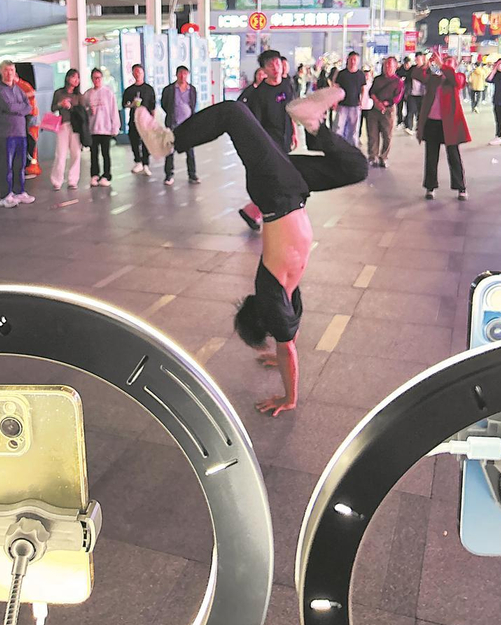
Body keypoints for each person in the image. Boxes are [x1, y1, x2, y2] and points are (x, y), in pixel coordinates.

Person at [134, 87, 367, 416]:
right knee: (357, 168)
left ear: (267, 318)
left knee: (232, 113)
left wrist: (288, 391)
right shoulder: (282, 295)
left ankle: (167, 142)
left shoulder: (272, 292)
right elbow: (288, 340)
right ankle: (314, 124)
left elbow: (287, 346)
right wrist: (281, 368)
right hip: (291, 189)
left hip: (277, 191)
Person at [240, 49, 296, 229]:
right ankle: (261, 211)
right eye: (270, 65)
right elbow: (256, 124)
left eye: (277, 63)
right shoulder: (260, 94)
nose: (275, 67)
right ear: (264, 70)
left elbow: (290, 110)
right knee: (277, 178)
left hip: (285, 138)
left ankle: (253, 211)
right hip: (270, 142)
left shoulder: (287, 85)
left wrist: (294, 132)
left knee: (277, 179)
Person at [411, 52, 470, 200]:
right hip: (432, 121)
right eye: (445, 61)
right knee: (431, 156)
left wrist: (442, 65)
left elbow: (456, 81)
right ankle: (430, 187)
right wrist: (426, 64)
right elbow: (417, 75)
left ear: (455, 66)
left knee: (454, 155)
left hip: (449, 123)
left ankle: (461, 187)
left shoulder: (458, 77)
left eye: (450, 63)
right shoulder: (434, 77)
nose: (446, 64)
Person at [0, 60, 36, 208]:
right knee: (6, 166)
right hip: (6, 134)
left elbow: (28, 107)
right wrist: (20, 108)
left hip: (21, 133)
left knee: (19, 165)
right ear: (1, 71)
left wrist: (18, 108)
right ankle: (6, 195)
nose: (9, 73)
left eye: (11, 70)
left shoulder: (18, 90)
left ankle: (19, 192)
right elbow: (9, 107)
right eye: (6, 70)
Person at [161, 65, 200, 187]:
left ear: (187, 75)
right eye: (180, 73)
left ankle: (192, 174)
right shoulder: (169, 89)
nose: (182, 76)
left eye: (185, 73)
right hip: (173, 124)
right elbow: (164, 104)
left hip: (188, 124)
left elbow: (193, 104)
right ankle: (169, 175)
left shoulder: (192, 89)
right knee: (169, 150)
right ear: (176, 74)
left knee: (190, 150)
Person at [83, 67, 120, 187]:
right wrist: (89, 110)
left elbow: (113, 110)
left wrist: (115, 126)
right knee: (93, 154)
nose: (97, 80)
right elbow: (83, 111)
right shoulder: (87, 94)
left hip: (105, 128)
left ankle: (106, 175)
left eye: (99, 78)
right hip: (93, 129)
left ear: (102, 78)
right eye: (94, 78)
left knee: (105, 154)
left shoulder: (108, 93)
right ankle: (94, 175)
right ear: (91, 79)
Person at [368, 57, 404, 168]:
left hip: (388, 110)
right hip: (375, 109)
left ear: (395, 67)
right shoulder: (378, 79)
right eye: (385, 65)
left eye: (390, 65)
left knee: (387, 135)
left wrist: (385, 104)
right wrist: (377, 102)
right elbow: (371, 92)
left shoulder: (398, 81)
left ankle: (384, 157)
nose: (387, 67)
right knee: (373, 134)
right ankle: (373, 156)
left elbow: (397, 97)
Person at [50, 69, 84, 190]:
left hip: (76, 127)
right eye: (74, 77)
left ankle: (73, 180)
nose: (76, 80)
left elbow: (82, 112)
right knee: (60, 154)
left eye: (78, 78)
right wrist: (61, 104)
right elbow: (53, 108)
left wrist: (72, 107)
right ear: (68, 78)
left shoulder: (79, 95)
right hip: (62, 125)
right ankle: (57, 180)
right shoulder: (59, 93)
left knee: (76, 153)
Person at [122, 64, 156, 177]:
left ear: (143, 73)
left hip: (146, 120)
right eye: (135, 72)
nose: (137, 74)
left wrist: (153, 120)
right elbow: (124, 104)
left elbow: (153, 106)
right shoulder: (129, 90)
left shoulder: (149, 89)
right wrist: (131, 105)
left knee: (146, 141)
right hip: (134, 119)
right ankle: (138, 161)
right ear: (132, 74)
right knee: (134, 140)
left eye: (139, 72)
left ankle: (146, 163)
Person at [334, 51, 366, 146]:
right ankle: (338, 147)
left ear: (358, 61)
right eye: (351, 59)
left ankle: (352, 148)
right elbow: (336, 88)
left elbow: (363, 89)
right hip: (342, 105)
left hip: (355, 105)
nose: (353, 62)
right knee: (338, 128)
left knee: (354, 130)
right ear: (347, 60)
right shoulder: (342, 74)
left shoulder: (360, 75)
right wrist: (335, 102)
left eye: (355, 60)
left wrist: (362, 101)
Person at [396, 57, 412, 127]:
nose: (408, 66)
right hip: (400, 92)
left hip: (408, 92)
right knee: (399, 107)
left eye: (409, 64)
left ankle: (407, 123)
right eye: (407, 64)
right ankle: (399, 121)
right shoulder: (400, 71)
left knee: (409, 108)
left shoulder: (411, 70)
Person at [359, 67, 374, 144]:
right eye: (365, 74)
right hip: (360, 106)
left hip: (369, 106)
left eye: (368, 74)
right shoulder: (360, 84)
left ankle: (370, 138)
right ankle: (358, 137)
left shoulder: (372, 84)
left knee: (369, 125)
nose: (366, 76)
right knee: (359, 124)